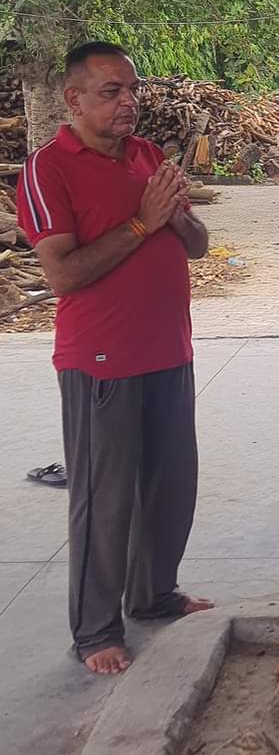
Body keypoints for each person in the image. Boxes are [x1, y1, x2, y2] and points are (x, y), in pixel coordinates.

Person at [16, 42, 212, 677]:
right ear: (74, 99)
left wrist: (175, 214)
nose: (128, 102)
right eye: (111, 92)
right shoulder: (49, 168)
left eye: (132, 89)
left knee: (170, 485)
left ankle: (153, 596)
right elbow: (65, 274)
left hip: (168, 350)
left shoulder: (148, 157)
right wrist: (142, 222)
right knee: (104, 500)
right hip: (100, 359)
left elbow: (200, 248)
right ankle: (96, 629)